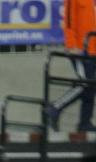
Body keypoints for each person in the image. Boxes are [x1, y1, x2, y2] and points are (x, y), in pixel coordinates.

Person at [46, 0, 96, 131]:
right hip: (80, 49)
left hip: (93, 49)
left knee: (91, 87)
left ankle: (84, 123)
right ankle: (55, 107)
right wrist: (71, 45)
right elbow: (68, 20)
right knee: (85, 84)